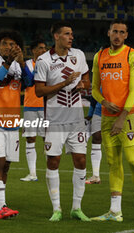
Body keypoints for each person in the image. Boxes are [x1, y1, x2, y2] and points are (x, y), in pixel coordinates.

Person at [91, 20, 134, 223]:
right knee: (113, 163)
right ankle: (114, 211)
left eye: (122, 32)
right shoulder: (99, 56)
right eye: (114, 31)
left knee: (132, 161)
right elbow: (94, 88)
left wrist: (122, 117)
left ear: (126, 35)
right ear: (108, 33)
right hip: (107, 116)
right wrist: (103, 101)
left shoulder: (133, 56)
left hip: (129, 115)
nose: (117, 35)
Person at [34, 21, 91, 222]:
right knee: (53, 161)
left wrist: (82, 85)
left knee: (81, 160)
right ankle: (56, 209)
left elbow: (87, 79)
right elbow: (39, 91)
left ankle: (77, 208)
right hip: (55, 121)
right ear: (56, 36)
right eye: (67, 34)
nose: (71, 37)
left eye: (72, 33)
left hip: (76, 120)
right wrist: (65, 83)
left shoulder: (79, 55)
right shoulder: (44, 60)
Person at [0, 29, 34, 219]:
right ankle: (2, 207)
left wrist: (22, 62)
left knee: (6, 165)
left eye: (12, 44)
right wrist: (9, 62)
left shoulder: (20, 67)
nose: (8, 47)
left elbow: (30, 83)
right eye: (4, 44)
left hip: (12, 121)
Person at [20, 39, 47, 182]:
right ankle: (32, 173)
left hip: (45, 107)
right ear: (34, 50)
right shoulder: (27, 65)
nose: (43, 50)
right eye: (40, 48)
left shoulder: (49, 64)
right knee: (30, 139)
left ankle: (51, 172)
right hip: (30, 106)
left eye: (44, 48)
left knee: (48, 139)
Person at [85, 95, 102, 184]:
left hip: (117, 113)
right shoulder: (100, 80)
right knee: (96, 139)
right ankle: (96, 176)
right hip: (99, 112)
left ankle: (116, 176)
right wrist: (90, 114)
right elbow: (94, 97)